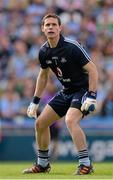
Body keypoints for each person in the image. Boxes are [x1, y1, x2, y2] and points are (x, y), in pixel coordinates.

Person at [23, 13, 98, 175]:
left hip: (82, 90)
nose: (50, 27)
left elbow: (93, 70)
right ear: (43, 29)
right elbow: (43, 76)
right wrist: (35, 101)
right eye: (47, 25)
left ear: (60, 28)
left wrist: (92, 95)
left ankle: (86, 164)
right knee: (40, 123)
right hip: (66, 91)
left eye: (53, 25)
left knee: (70, 120)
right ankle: (42, 165)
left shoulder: (72, 46)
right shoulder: (43, 51)